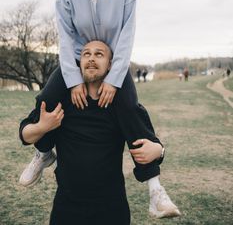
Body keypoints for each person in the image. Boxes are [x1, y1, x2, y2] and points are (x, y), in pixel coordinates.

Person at [19, 41, 181, 224]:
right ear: (78, 63)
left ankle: (156, 193)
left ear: (112, 65)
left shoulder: (119, 106)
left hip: (111, 208)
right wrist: (42, 127)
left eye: (99, 54)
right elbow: (25, 133)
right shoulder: (63, 103)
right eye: (86, 54)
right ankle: (42, 155)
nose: (91, 59)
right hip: (67, 208)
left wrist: (160, 150)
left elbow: (147, 139)